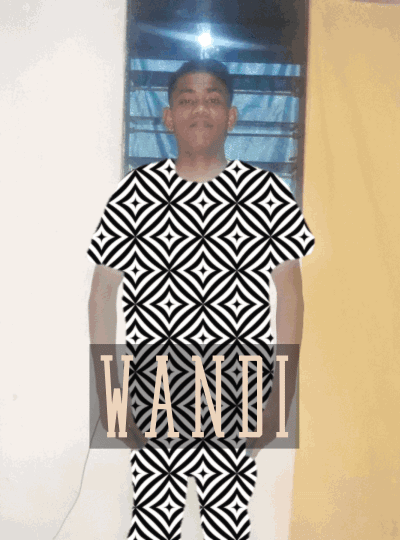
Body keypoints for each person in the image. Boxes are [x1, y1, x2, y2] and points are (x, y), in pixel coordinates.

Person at [87, 59, 315, 540]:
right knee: (153, 527)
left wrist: (281, 398)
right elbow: (103, 294)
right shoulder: (134, 194)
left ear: (231, 116)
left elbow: (291, 299)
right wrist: (111, 396)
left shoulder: (268, 194)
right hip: (156, 386)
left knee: (229, 527)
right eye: (187, 99)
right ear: (168, 116)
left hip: (238, 388)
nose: (200, 109)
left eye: (213, 99)